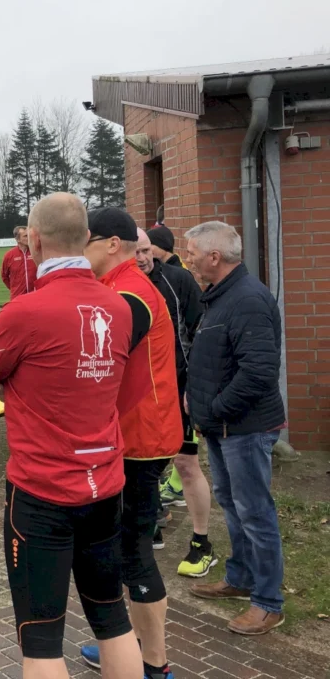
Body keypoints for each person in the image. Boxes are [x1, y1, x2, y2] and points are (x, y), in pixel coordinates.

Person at [0, 193, 143, 679]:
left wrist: (18, 375)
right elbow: (124, 390)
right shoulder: (121, 306)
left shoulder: (26, 312)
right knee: (112, 618)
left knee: (41, 639)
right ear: (85, 239)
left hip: (42, 492)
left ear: (34, 240)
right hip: (105, 485)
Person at [80, 208, 182, 679]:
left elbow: (103, 356)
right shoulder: (116, 287)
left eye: (87, 243)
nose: (81, 253)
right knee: (125, 549)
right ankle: (129, 647)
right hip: (136, 432)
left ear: (111, 244)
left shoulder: (129, 292)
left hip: (143, 437)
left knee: (133, 552)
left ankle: (155, 664)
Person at [183, 221, 286, 636]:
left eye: (191, 252)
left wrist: (216, 409)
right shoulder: (220, 297)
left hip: (243, 428)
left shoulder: (246, 300)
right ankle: (240, 579)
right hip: (222, 428)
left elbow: (259, 372)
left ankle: (268, 603)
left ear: (214, 256)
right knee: (233, 503)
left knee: (255, 512)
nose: (187, 258)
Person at [135, 229, 214, 576]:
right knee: (140, 461)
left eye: (146, 250)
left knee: (185, 463)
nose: (142, 257)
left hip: (178, 391)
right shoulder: (109, 285)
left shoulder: (177, 280)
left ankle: (201, 542)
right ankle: (150, 520)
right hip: (139, 395)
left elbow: (202, 334)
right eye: (134, 251)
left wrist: (192, 387)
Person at [0, 225, 38, 300]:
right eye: (25, 236)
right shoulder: (9, 255)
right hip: (17, 297)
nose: (29, 238)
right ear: (18, 239)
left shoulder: (36, 252)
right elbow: (4, 276)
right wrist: (14, 288)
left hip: (35, 295)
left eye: (29, 236)